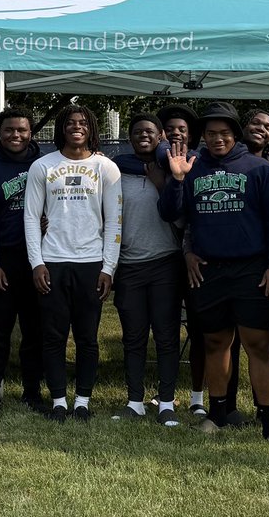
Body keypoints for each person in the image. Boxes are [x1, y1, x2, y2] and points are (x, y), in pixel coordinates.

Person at [159, 101, 269, 444]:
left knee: (258, 345)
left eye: (224, 133)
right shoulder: (192, 167)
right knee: (216, 342)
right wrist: (176, 179)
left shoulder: (258, 169)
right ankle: (216, 414)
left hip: (253, 270)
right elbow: (169, 213)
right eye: (211, 133)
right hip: (208, 271)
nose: (218, 139)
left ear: (235, 134)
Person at [24, 104, 122, 422]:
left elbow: (114, 222)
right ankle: (58, 401)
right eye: (70, 122)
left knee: (87, 338)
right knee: (53, 337)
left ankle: (82, 401)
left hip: (90, 263)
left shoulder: (106, 168)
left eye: (82, 122)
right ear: (61, 128)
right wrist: (36, 262)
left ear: (91, 129)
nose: (76, 126)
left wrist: (108, 267)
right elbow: (30, 218)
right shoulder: (43, 166)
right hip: (52, 262)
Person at [0, 107, 44, 415]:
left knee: (35, 330)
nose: (16, 135)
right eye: (10, 129)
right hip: (3, 260)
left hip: (39, 261)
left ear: (31, 133)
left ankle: (32, 391)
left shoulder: (44, 165)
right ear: (0, 132)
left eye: (22, 130)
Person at [112, 114, 183, 426]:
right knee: (134, 337)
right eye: (138, 131)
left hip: (165, 262)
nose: (144, 135)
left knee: (167, 336)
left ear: (161, 137)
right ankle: (135, 401)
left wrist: (162, 183)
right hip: (129, 265)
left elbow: (180, 216)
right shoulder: (115, 173)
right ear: (130, 137)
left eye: (150, 131)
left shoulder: (173, 169)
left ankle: (166, 402)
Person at [157, 104, 213, 419]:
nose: (177, 132)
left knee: (199, 329)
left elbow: (195, 215)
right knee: (164, 328)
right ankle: (163, 392)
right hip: (165, 258)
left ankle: (197, 396)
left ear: (191, 135)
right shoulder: (156, 157)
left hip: (193, 256)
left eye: (183, 129)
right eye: (170, 128)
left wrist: (189, 249)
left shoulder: (202, 162)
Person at [242, 108, 269, 190]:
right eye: (255, 123)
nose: (261, 128)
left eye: (268, 128)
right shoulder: (225, 160)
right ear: (243, 127)